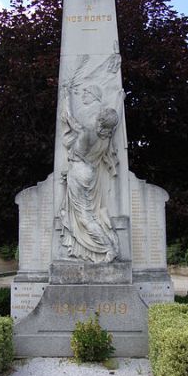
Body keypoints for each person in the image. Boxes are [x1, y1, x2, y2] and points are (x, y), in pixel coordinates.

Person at [59, 85, 119, 263]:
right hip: (90, 173)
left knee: (85, 217)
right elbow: (115, 120)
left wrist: (66, 98)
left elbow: (68, 119)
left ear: (100, 120)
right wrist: (119, 101)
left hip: (79, 171)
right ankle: (108, 245)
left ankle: (108, 248)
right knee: (88, 215)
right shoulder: (107, 136)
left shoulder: (86, 133)